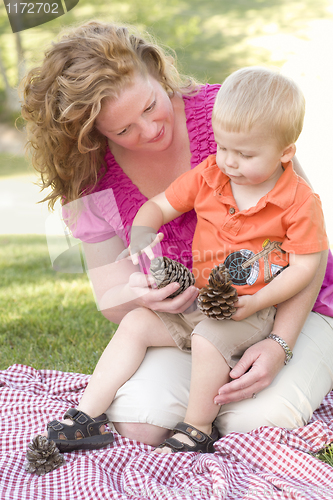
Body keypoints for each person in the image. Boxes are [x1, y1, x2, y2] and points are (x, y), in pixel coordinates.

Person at [20, 20, 333, 452]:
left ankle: (213, 413)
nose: (148, 131)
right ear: (94, 134)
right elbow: (111, 295)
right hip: (199, 313)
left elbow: (310, 249)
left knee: (256, 422)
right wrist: (142, 292)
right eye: (124, 130)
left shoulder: (235, 117)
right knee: (139, 422)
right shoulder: (90, 175)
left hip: (287, 305)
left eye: (150, 106)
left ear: (156, 70)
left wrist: (281, 343)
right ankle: (89, 419)